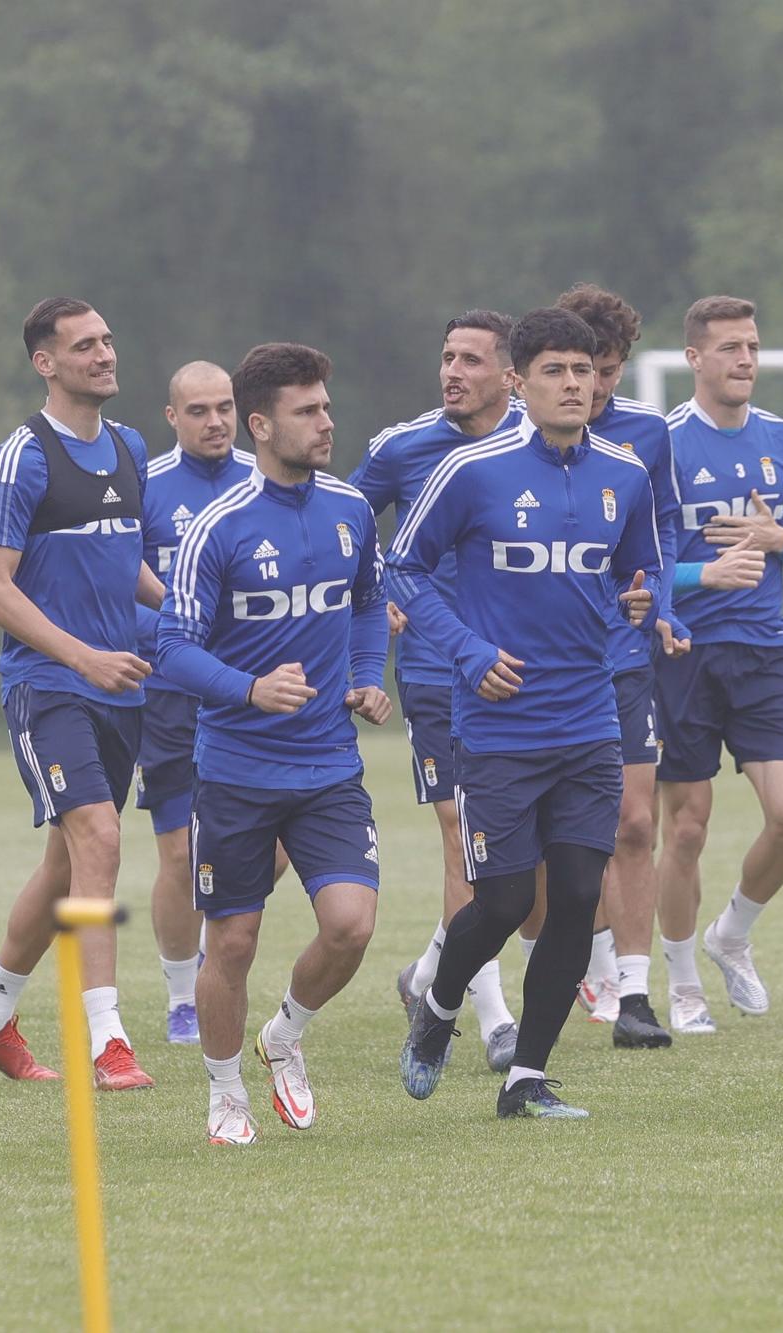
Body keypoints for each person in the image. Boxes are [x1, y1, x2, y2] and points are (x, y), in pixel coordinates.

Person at [392, 307, 662, 1119]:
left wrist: (644, 601)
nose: (574, 384)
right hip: (500, 727)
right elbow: (401, 570)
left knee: (578, 892)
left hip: (588, 721)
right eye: (554, 370)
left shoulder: (626, 471)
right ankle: (436, 1012)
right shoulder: (472, 471)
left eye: (584, 370)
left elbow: (640, 568)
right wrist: (470, 654)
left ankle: (527, 1078)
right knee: (507, 901)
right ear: (519, 382)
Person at [157, 342, 388, 1144]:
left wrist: (365, 673)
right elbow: (173, 650)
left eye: (326, 406)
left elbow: (367, 602)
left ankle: (284, 1034)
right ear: (261, 425)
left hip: (328, 764)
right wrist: (250, 690)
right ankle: (225, 1091)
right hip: (236, 772)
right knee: (234, 940)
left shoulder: (352, 509)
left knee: (352, 924)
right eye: (307, 410)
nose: (327, 421)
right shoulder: (215, 529)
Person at [0, 298, 164, 1089]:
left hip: (119, 691)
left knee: (64, 864)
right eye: (86, 346)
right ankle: (107, 1042)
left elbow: (125, 564)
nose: (106, 354)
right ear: (47, 362)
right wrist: (83, 659)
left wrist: (182, 612)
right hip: (50, 686)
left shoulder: (132, 446)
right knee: (102, 839)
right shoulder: (23, 458)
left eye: (108, 339)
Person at [349, 310, 524, 1072]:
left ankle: (426, 974)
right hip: (431, 670)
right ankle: (493, 1020)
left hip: (524, 672)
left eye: (471, 361)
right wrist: (377, 587)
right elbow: (342, 525)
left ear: (509, 377)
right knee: (463, 831)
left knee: (528, 864)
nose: (452, 371)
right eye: (446, 357)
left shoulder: (539, 446)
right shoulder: (402, 446)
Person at [655, 297, 783, 1035]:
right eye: (729, 348)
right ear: (695, 358)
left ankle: (732, 933)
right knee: (686, 830)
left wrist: (776, 536)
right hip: (682, 655)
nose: (746, 360)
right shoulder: (657, 447)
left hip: (764, 653)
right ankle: (684, 979)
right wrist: (703, 579)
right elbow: (636, 569)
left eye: (753, 346)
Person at [552, 283, 685, 1046]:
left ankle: (634, 994)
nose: (596, 386)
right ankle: (442, 966)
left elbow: (660, 529)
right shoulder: (517, 437)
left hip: (622, 654)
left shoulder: (647, 435)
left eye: (611, 369)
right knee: (547, 851)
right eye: (586, 367)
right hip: (540, 663)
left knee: (636, 819)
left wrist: (659, 601)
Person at [135, 361, 257, 1044]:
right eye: (199, 410)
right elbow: (118, 582)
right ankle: (184, 994)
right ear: (172, 417)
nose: (215, 422)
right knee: (179, 852)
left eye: (225, 408)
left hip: (254, 694)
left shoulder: (261, 479)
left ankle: (221, 961)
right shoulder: (144, 486)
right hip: (173, 695)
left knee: (256, 843)